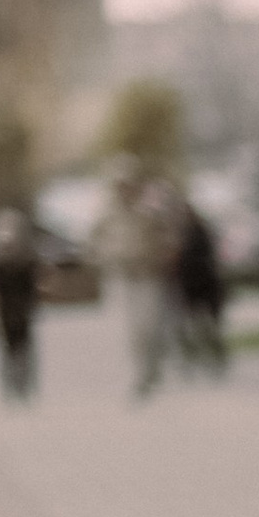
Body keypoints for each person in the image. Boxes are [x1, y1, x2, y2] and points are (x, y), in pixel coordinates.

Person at [92, 158, 180, 398]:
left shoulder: (149, 211)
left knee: (150, 326)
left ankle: (153, 367)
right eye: (119, 185)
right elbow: (96, 241)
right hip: (124, 277)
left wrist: (163, 257)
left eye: (127, 184)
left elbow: (169, 239)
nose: (123, 190)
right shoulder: (109, 214)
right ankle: (141, 375)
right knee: (133, 332)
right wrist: (106, 258)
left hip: (149, 276)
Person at [0, 207, 41, 401]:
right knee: (9, 350)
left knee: (23, 349)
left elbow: (32, 289)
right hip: (6, 313)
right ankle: (10, 386)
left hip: (22, 312)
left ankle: (22, 386)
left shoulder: (26, 265)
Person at [173, 202, 229, 378]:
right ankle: (199, 360)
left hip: (204, 284)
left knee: (207, 327)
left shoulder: (199, 233)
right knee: (193, 327)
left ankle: (213, 359)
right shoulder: (180, 234)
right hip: (190, 286)